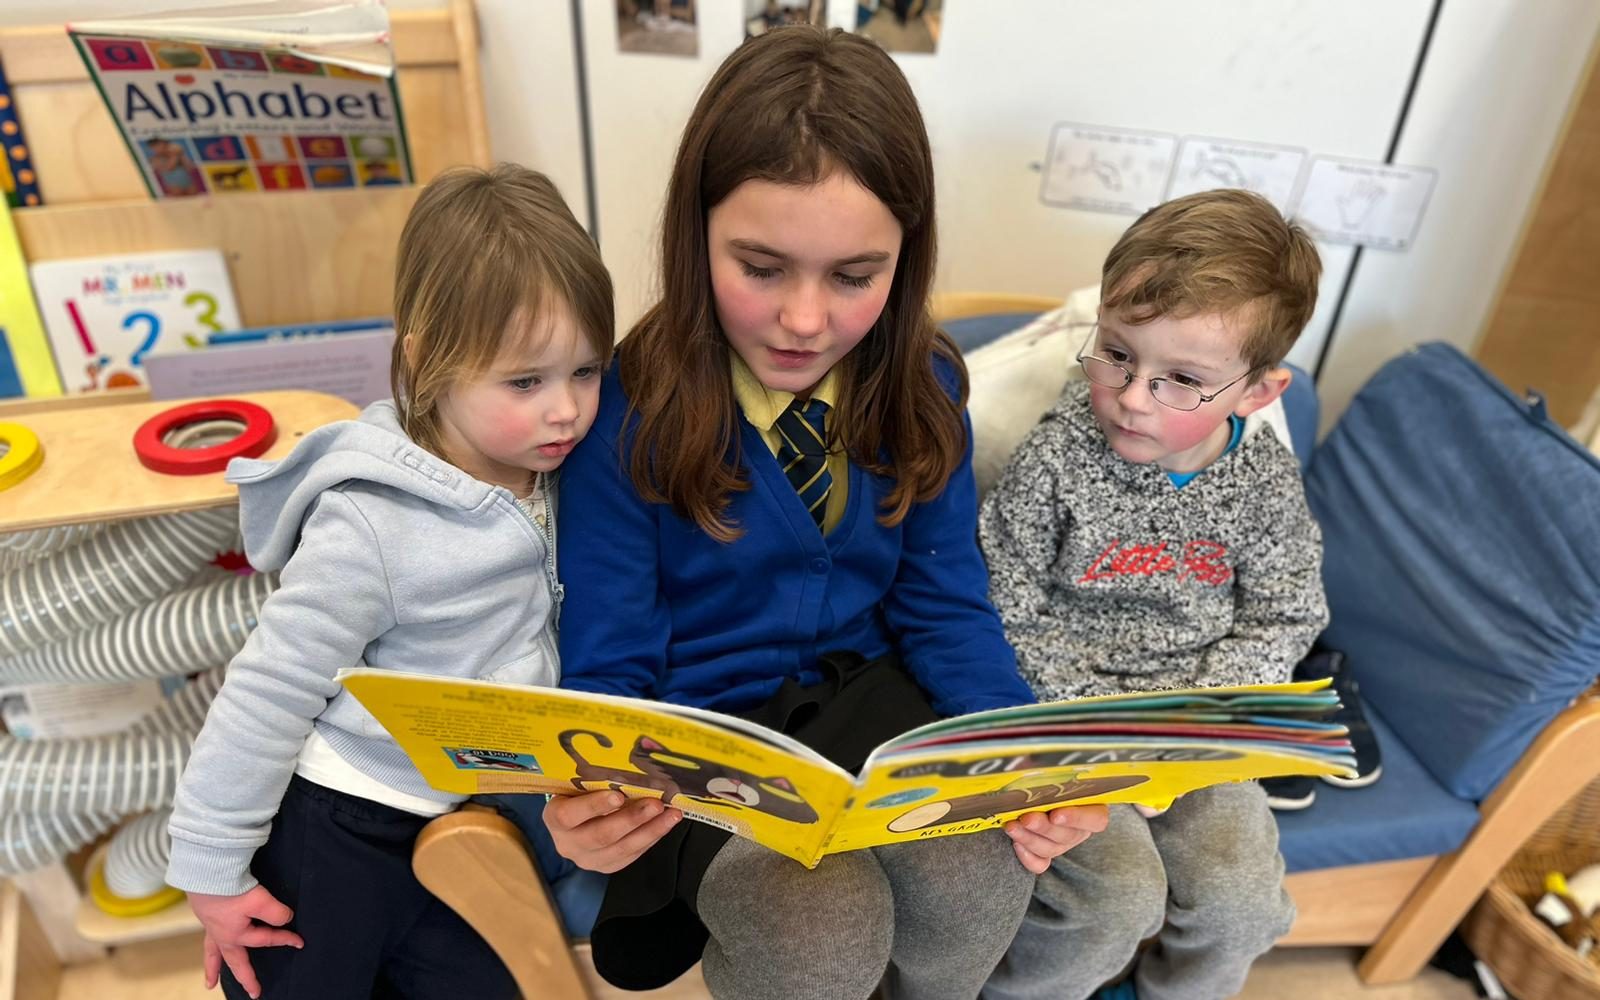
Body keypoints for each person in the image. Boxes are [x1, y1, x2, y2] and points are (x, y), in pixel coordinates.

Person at [535, 24, 1106, 1000]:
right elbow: (612, 651)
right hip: (705, 738)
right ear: (694, 233)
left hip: (875, 709)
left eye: (853, 277)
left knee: (978, 872)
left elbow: (945, 607)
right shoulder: (625, 406)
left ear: (904, 259)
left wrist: (1015, 751)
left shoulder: (923, 386)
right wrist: (591, 783)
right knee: (814, 918)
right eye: (760, 268)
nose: (804, 320)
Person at [164, 163, 613, 1000]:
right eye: (526, 381)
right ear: (427, 362)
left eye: (586, 372)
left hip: (464, 822)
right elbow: (268, 690)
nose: (566, 410)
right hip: (339, 823)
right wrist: (210, 864)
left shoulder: (554, 471)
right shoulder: (371, 522)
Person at [978, 188, 1329, 1000]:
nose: (1133, 396)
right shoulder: (1060, 452)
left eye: (1180, 380)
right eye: (1118, 355)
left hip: (1195, 730)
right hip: (1068, 720)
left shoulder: (1266, 484)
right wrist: (1089, 717)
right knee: (1112, 901)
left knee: (1240, 899)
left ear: (1257, 393)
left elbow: (1288, 612)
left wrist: (1193, 715)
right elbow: (1005, 593)